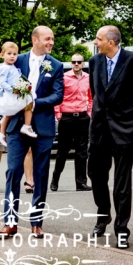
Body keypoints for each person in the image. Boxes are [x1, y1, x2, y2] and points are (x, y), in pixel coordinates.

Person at [88, 25, 133, 250]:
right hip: (99, 130)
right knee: (95, 175)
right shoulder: (94, 63)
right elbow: (95, 94)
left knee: (122, 183)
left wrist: (131, 121)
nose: (96, 42)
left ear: (111, 42)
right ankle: (103, 216)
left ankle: (122, 230)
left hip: (123, 131)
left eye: (98, 38)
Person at [0, 26, 63, 240]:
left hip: (43, 127)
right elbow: (5, 81)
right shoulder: (16, 59)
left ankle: (37, 223)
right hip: (17, 124)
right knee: (13, 172)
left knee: (41, 175)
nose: (51, 42)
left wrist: (34, 103)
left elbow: (57, 96)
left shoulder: (56, 65)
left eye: (52, 39)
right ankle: (10, 222)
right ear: (35, 40)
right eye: (47, 39)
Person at [51, 53, 93, 192]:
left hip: (82, 116)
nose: (76, 64)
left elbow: (91, 97)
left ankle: (81, 183)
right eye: (74, 61)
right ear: (71, 63)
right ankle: (55, 180)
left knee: (82, 151)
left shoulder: (88, 78)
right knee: (63, 150)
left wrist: (89, 112)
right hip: (67, 117)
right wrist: (58, 114)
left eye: (79, 62)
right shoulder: (64, 78)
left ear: (83, 64)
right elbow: (58, 96)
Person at [0, 41, 37, 147]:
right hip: (11, 93)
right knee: (30, 102)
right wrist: (13, 90)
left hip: (15, 92)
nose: (12, 56)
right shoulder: (4, 67)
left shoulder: (11, 66)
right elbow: (2, 83)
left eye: (14, 54)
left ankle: (1, 133)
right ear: (2, 55)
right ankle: (26, 126)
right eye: (9, 54)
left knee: (9, 114)